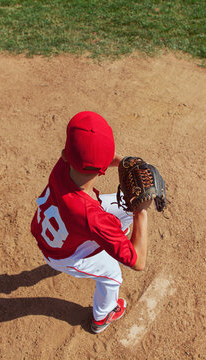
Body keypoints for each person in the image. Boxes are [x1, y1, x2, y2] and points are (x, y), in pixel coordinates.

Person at [30, 111, 152, 334]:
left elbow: (90, 158)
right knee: (113, 275)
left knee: (123, 205)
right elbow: (138, 262)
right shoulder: (93, 218)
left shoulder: (62, 166)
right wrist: (142, 211)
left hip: (54, 226)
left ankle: (112, 240)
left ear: (66, 154)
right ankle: (102, 317)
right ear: (103, 168)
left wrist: (124, 162)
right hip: (63, 255)